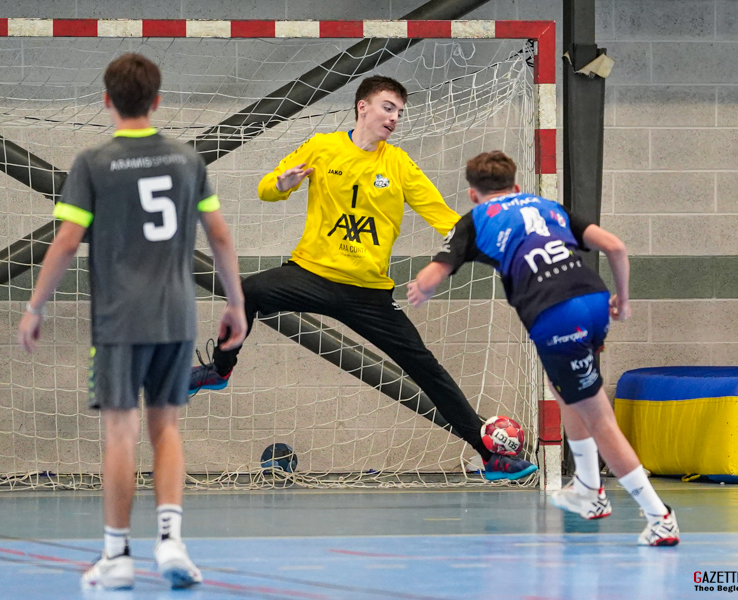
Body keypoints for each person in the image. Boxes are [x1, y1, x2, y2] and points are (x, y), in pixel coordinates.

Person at [189, 75, 536, 481]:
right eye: (388, 108)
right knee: (246, 292)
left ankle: (491, 456)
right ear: (362, 107)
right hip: (311, 274)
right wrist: (282, 184)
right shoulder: (322, 147)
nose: (394, 118)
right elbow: (267, 188)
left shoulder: (399, 164)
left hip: (368, 294)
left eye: (399, 112)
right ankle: (220, 369)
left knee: (426, 368)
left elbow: (444, 218)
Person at [17, 53, 248, 590]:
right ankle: (171, 543)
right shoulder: (187, 160)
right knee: (166, 428)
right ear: (157, 101)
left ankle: (117, 554)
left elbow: (67, 242)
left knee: (120, 433)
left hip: (118, 320)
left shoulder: (93, 163)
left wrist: (35, 307)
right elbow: (220, 236)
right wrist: (235, 303)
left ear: (106, 100)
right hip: (175, 314)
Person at [407, 151, 680, 546]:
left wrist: (421, 288)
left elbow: (433, 276)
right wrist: (623, 301)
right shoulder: (546, 206)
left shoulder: (476, 219)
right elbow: (616, 247)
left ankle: (659, 516)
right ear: (516, 186)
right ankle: (588, 488)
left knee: (599, 417)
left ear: (472, 194)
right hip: (594, 300)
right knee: (562, 387)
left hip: (557, 315)